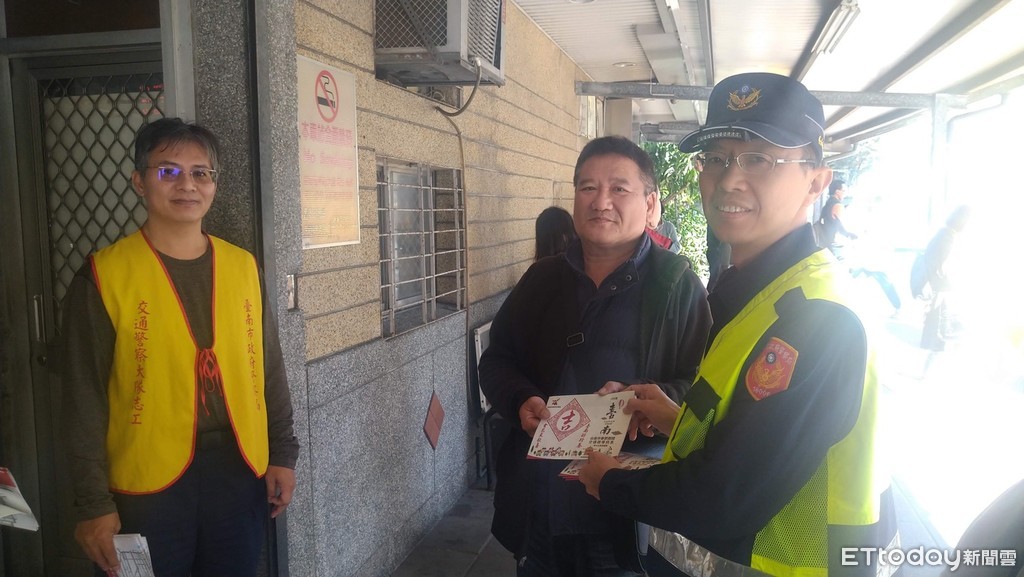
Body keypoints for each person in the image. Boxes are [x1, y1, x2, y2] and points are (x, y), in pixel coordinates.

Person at [578, 72, 898, 576]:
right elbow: (753, 433)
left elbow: (728, 495)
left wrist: (609, 481)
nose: (729, 180)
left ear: (816, 181)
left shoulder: (818, 317)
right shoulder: (756, 292)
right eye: (716, 159)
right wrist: (675, 418)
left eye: (759, 159)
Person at [62, 118, 299, 577]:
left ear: (213, 184)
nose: (187, 185)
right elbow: (82, 398)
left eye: (200, 173)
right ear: (139, 181)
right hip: (145, 484)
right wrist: (92, 502)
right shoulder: (105, 275)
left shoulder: (243, 266)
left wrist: (282, 454)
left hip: (239, 471)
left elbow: (269, 367)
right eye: (168, 171)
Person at [479, 135, 712, 577]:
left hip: (623, 512)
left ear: (650, 203)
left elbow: (701, 386)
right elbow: (497, 360)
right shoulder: (542, 279)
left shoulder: (677, 287)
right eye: (588, 187)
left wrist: (646, 397)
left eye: (619, 188)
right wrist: (520, 399)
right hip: (539, 509)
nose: (601, 201)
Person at [920, 205, 971, 354]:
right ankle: (931, 341)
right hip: (939, 280)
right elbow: (943, 262)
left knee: (937, 309)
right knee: (936, 310)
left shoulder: (943, 232)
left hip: (934, 277)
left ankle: (932, 339)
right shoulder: (948, 237)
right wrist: (946, 278)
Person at [817, 178, 857, 257]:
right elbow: (841, 227)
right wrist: (849, 235)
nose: (845, 194)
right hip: (833, 245)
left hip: (824, 242)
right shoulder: (838, 206)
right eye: (844, 191)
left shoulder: (828, 203)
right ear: (837, 192)